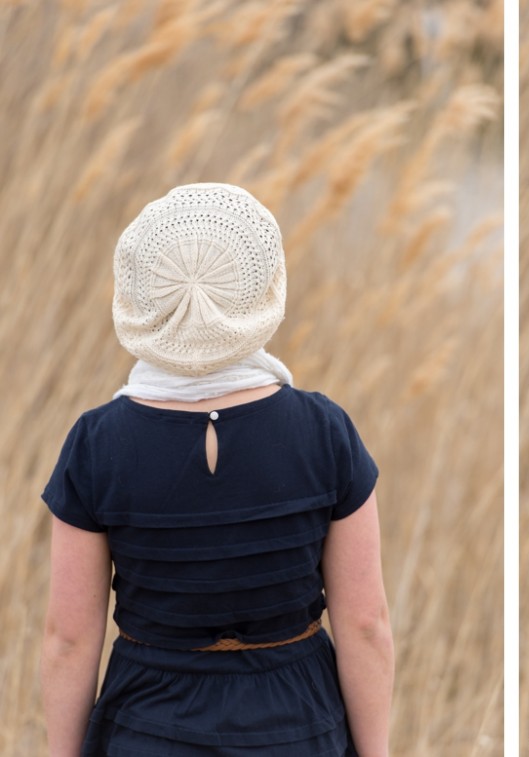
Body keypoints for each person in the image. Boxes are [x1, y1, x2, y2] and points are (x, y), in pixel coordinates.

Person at [40, 183, 394, 756]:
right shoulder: (324, 431)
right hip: (298, 728)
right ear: (260, 292)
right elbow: (366, 625)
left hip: (146, 729)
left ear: (141, 298)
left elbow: (68, 639)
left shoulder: (97, 442)